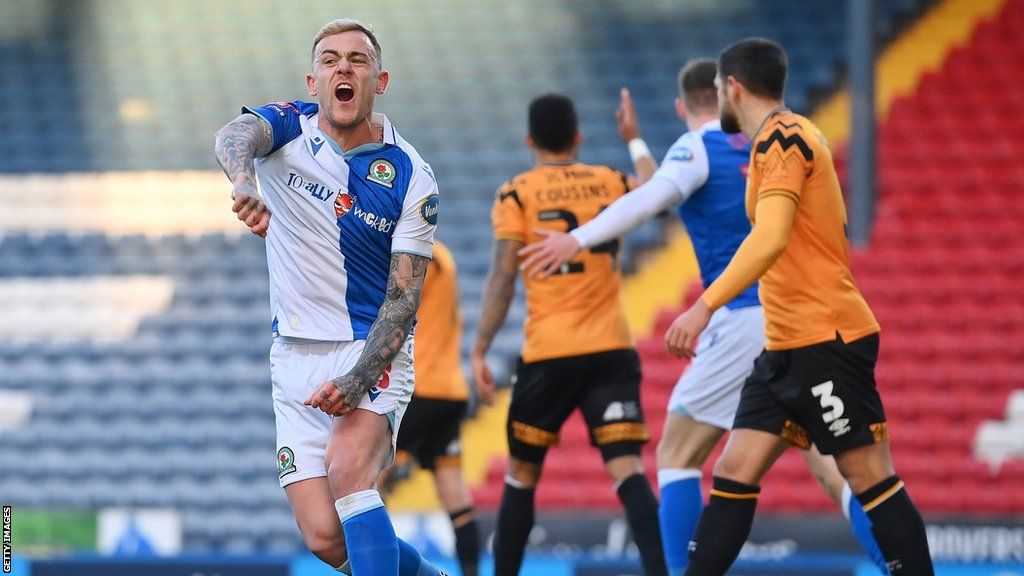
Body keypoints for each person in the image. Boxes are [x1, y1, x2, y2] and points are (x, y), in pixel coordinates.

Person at [519, 59, 887, 575]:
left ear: (683, 105)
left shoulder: (699, 146)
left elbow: (651, 199)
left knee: (677, 452)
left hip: (741, 317)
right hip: (801, 317)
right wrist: (638, 144)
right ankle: (901, 562)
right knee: (833, 471)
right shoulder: (774, 142)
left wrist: (576, 237)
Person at [660, 38, 933, 576]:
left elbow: (771, 238)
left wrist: (704, 307)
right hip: (783, 347)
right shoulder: (785, 139)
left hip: (824, 340)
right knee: (734, 471)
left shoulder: (782, 138)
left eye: (719, 92)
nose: (719, 104)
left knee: (870, 478)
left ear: (733, 88)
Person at [214, 18, 447, 576]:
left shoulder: (412, 176)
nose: (344, 68)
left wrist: (358, 378)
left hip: (368, 349)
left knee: (349, 475)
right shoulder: (288, 126)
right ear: (313, 79)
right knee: (325, 539)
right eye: (330, 60)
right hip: (293, 354)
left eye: (358, 60)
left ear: (380, 81)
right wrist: (243, 181)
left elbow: (403, 299)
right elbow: (232, 136)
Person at [472, 94, 666, 576]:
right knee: (629, 470)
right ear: (578, 137)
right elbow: (659, 193)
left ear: (530, 140)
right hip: (610, 349)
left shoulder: (517, 193)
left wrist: (480, 348)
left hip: (549, 353)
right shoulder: (608, 180)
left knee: (521, 478)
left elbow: (502, 277)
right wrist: (633, 138)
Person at [379, 240, 480, 576]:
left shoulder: (421, 254)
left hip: (419, 389)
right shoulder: (444, 256)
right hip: (449, 390)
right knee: (456, 497)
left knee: (367, 481)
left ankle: (373, 568)